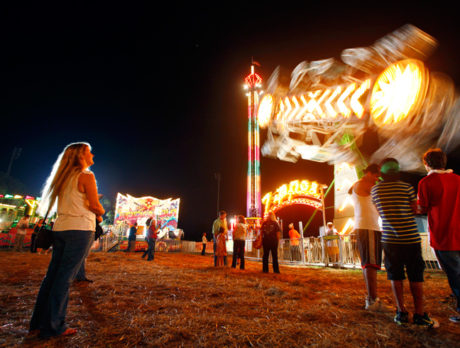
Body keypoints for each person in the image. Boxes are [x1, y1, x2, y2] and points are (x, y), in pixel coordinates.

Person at [29, 142, 105, 339]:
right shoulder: (87, 176)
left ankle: (37, 323)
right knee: (64, 279)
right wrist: (100, 210)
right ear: (81, 157)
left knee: (52, 277)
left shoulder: (63, 177)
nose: (93, 155)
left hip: (61, 228)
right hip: (80, 229)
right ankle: (54, 326)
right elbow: (96, 206)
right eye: (89, 152)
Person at [371, 158, 434, 327]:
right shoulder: (406, 187)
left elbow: (380, 212)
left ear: (381, 172)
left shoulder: (375, 190)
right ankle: (420, 314)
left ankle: (401, 312)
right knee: (416, 276)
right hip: (410, 238)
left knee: (395, 276)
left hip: (390, 240)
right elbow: (416, 209)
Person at [417, 148, 460, 323]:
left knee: (455, 275)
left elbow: (422, 208)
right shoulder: (458, 179)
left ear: (426, 164)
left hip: (444, 235)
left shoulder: (426, 183)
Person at [349, 164, 383, 310]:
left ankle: (371, 298)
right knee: (370, 264)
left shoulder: (359, 185)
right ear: (369, 173)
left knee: (368, 264)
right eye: (376, 176)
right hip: (368, 226)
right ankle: (372, 300)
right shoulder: (365, 185)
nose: (377, 179)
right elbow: (381, 195)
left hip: (367, 226)